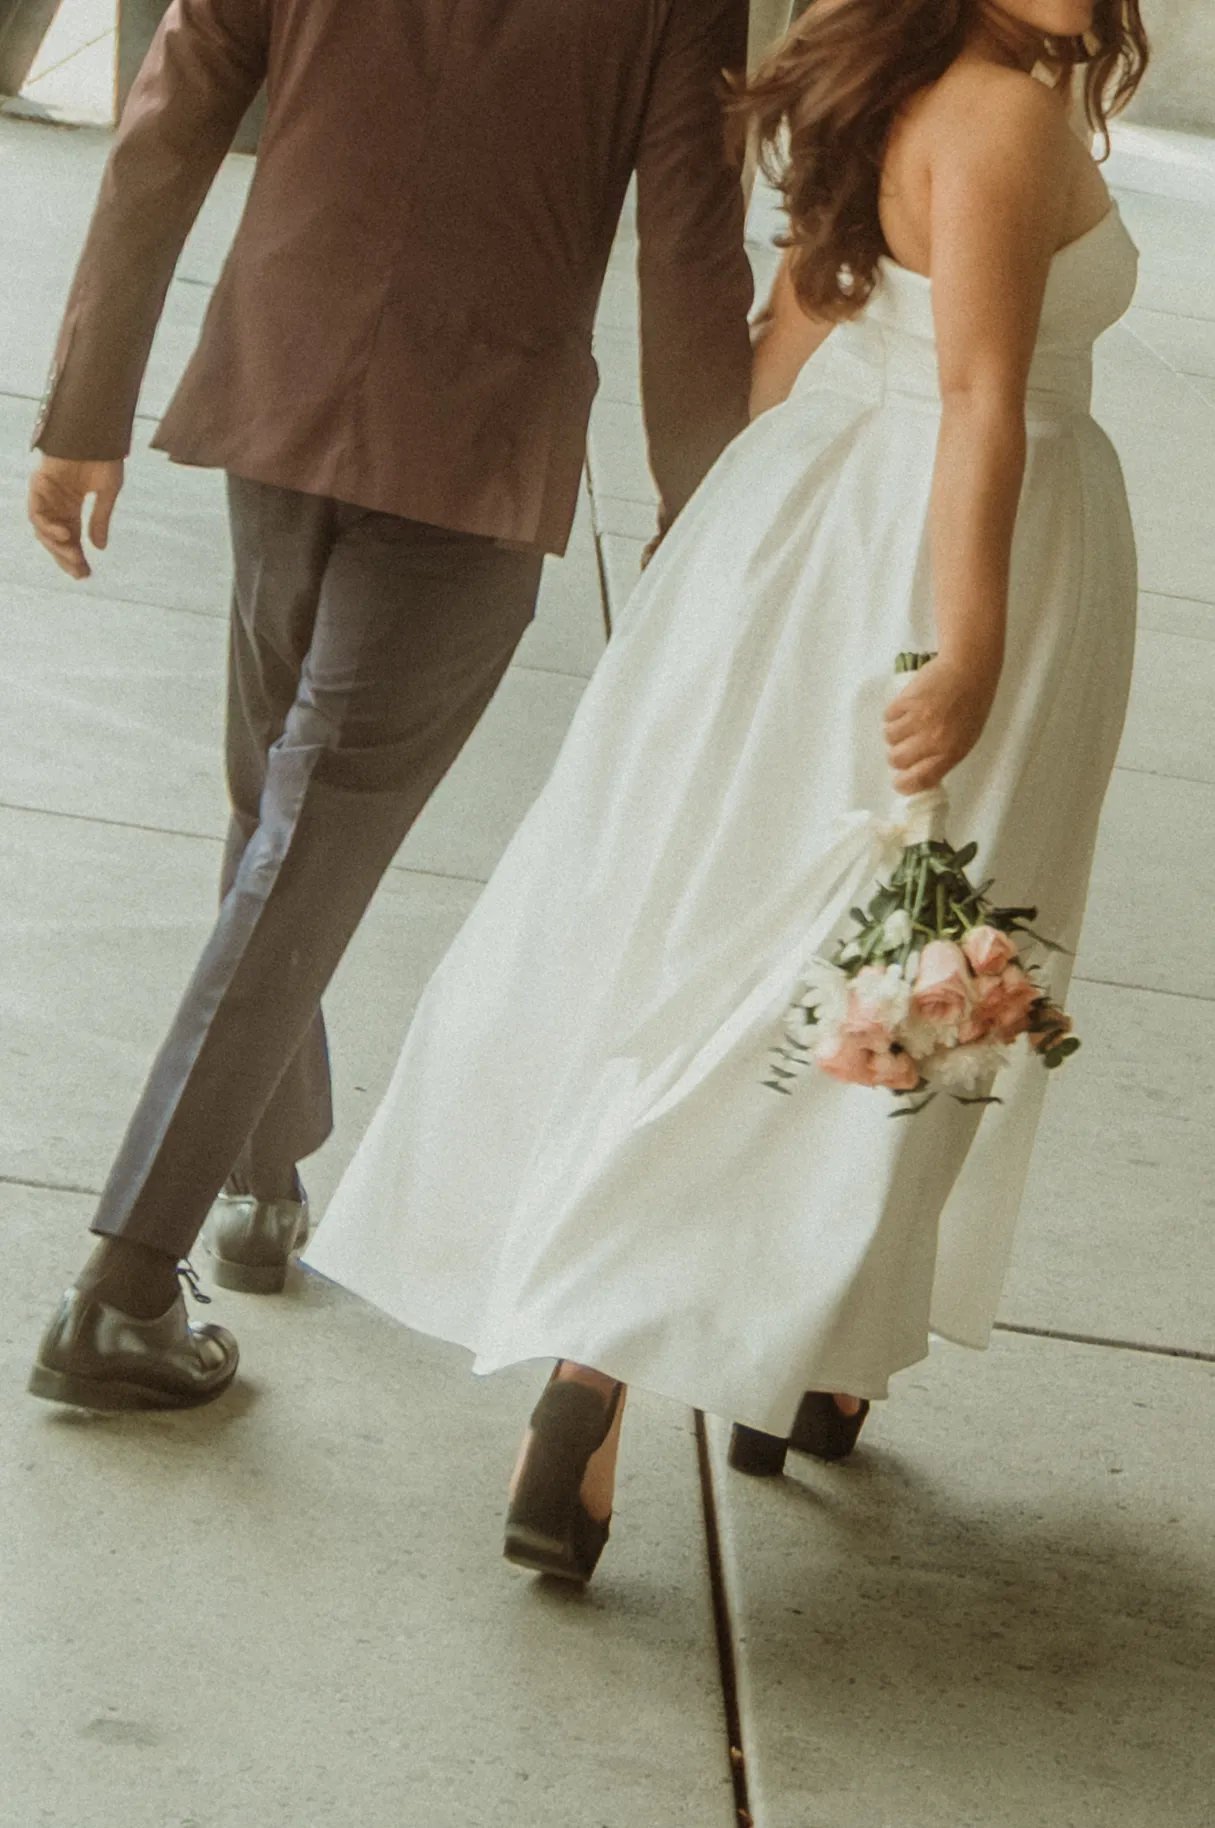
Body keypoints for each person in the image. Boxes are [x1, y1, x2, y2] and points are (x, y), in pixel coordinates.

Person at [302, 0, 1150, 1583]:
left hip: (813, 520)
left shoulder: (878, 72)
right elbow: (978, 399)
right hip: (961, 550)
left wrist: (725, 568)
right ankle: (692, 1336)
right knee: (920, 953)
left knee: (776, 929)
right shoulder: (997, 116)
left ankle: (753, 1358)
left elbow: (790, 328)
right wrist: (964, 651)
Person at [25, 0, 755, 1414]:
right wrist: (704, 504)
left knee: (276, 818)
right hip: (472, 440)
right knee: (301, 834)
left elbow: (167, 125)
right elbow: (689, 242)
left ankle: (261, 1166)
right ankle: (122, 1282)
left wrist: (87, 406)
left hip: (279, 388)